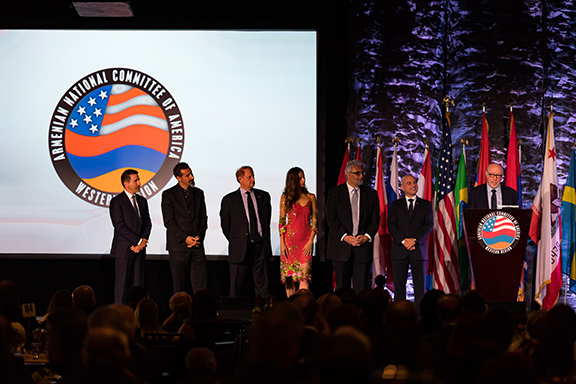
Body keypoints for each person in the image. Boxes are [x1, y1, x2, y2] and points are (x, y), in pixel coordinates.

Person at [326, 160, 379, 292]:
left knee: (361, 290)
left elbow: (375, 220)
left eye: (362, 173)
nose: (361, 176)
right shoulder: (335, 193)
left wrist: (366, 236)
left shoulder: (371, 194)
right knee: (342, 290)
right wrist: (345, 236)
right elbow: (332, 219)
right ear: (347, 174)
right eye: (357, 173)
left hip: (363, 248)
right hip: (341, 248)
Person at [220, 166, 272, 298]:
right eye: (250, 177)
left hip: (259, 247)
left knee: (262, 284)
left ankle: (263, 314)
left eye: (253, 176)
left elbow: (266, 221)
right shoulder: (229, 200)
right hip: (241, 247)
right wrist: (237, 240)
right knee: (237, 286)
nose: (253, 179)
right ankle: (235, 315)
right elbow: (226, 226)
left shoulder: (263, 196)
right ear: (240, 179)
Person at [161, 162, 208, 295]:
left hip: (197, 246)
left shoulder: (199, 193)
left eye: (191, 173)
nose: (192, 177)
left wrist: (198, 236)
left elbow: (203, 218)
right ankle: (181, 314)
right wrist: (185, 238)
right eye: (187, 175)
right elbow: (169, 222)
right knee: (180, 287)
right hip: (178, 248)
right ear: (178, 178)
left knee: (201, 287)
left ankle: (200, 314)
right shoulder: (169, 194)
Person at [387, 174, 433, 307]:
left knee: (420, 288)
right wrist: (403, 241)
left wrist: (414, 240)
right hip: (400, 250)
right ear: (402, 187)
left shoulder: (425, 204)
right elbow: (391, 225)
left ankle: (419, 316)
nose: (413, 185)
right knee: (399, 286)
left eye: (414, 182)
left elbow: (428, 225)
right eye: (409, 183)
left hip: (418, 250)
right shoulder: (396, 205)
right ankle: (399, 314)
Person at [109, 169, 152, 304]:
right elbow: (120, 226)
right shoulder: (117, 202)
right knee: (121, 288)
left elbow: (147, 223)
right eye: (136, 180)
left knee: (139, 289)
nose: (139, 183)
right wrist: (137, 241)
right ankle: (120, 319)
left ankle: (138, 318)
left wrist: (142, 242)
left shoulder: (142, 201)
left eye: (138, 180)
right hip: (124, 251)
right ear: (126, 184)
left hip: (139, 251)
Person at [279, 167, 318, 298]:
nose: (303, 180)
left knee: (304, 277)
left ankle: (302, 307)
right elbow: (282, 223)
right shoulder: (285, 198)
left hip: (305, 243)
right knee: (289, 279)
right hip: (289, 244)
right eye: (300, 178)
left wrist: (310, 241)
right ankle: (291, 310)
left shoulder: (311, 197)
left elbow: (314, 221)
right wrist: (282, 243)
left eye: (303, 177)